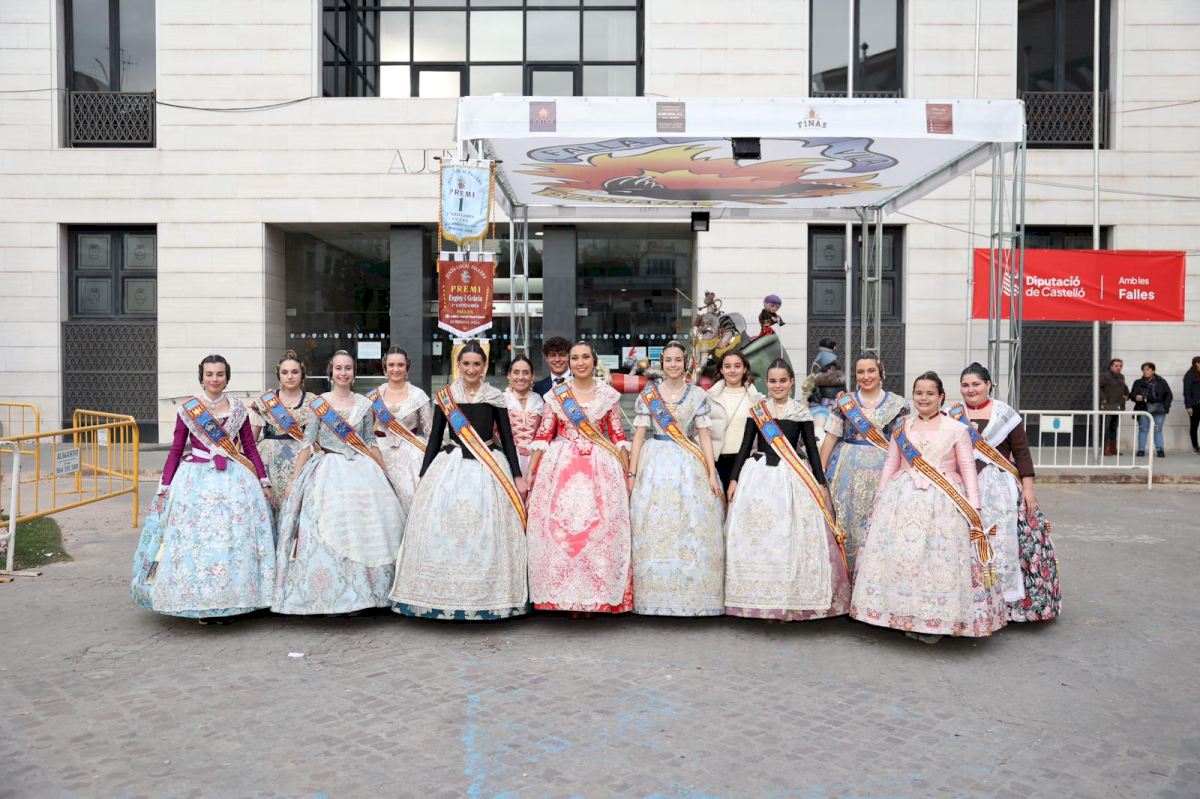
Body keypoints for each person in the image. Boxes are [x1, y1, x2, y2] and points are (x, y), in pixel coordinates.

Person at [851, 371, 1006, 641]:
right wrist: (880, 497)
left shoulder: (956, 428)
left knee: (937, 561)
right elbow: (891, 463)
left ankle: (937, 620)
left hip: (944, 501)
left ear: (941, 397)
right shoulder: (902, 427)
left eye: (930, 393)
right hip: (901, 499)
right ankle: (902, 614)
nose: (924, 398)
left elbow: (967, 466)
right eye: (919, 393)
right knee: (903, 559)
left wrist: (975, 506)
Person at [390, 341, 529, 620]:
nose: (471, 369)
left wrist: (517, 475)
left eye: (477, 364)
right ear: (458, 365)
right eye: (466, 364)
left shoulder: (494, 397)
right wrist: (424, 475)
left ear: (484, 366)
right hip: (450, 467)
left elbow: (507, 439)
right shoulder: (446, 397)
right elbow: (434, 438)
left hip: (488, 467)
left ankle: (490, 599)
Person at [131, 355, 275, 623]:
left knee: (232, 541)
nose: (215, 379)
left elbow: (249, 447)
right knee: (199, 544)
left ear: (227, 377)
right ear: (202, 377)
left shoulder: (238, 409)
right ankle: (200, 602)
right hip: (195, 481)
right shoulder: (189, 410)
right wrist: (164, 486)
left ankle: (233, 601)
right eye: (209, 374)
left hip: (234, 480)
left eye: (220, 374)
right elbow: (176, 450)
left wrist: (263, 481)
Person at [272, 351, 406, 615]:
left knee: (363, 531)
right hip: (327, 471)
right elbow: (307, 443)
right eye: (338, 369)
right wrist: (294, 479)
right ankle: (333, 595)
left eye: (348, 368)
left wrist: (385, 474)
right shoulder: (319, 404)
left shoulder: (364, 404)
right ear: (331, 373)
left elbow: (369, 442)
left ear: (354, 373)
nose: (343, 373)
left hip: (361, 471)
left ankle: (366, 593)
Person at [724, 359, 851, 621]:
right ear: (766, 383)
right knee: (760, 535)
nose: (778, 385)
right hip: (758, 477)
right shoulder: (757, 411)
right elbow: (745, 446)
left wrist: (820, 483)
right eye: (773, 381)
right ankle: (758, 597)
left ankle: (791, 597)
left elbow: (812, 451)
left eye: (783, 380)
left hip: (793, 477)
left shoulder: (800, 412)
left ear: (792, 382)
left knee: (790, 535)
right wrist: (734, 479)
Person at [526, 341, 633, 613]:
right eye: (575, 358)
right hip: (561, 466)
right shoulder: (556, 395)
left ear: (594, 361)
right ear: (569, 362)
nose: (580, 362)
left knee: (598, 531)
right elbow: (543, 434)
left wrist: (628, 474)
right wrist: (531, 473)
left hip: (600, 467)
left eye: (585, 357)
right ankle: (563, 598)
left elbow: (618, 435)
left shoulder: (608, 395)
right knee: (560, 530)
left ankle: (595, 597)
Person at [951, 363, 1059, 622]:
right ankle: (971, 602)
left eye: (976, 384)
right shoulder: (951, 414)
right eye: (965, 385)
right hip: (963, 486)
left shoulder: (1005, 415)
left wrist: (1028, 489)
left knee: (1004, 542)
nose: (970, 389)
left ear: (988, 384)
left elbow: (1022, 453)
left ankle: (1009, 606)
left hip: (1001, 489)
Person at [627, 341, 725, 616]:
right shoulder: (649, 395)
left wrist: (711, 472)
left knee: (690, 525)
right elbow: (638, 437)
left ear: (686, 363)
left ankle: (691, 594)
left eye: (677, 360)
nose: (673, 365)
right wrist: (632, 473)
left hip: (689, 463)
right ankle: (653, 594)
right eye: (668, 360)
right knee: (654, 525)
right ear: (662, 363)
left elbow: (704, 435)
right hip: (654, 462)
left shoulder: (697, 395)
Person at [818, 353, 908, 574]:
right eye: (860, 372)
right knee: (846, 523)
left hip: (884, 470)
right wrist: (819, 475)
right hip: (847, 472)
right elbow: (830, 437)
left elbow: (904, 442)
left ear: (880, 373)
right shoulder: (845, 403)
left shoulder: (898, 404)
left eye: (871, 371)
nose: (866, 376)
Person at [368, 347, 432, 515]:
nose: (396, 369)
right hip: (380, 455)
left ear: (407, 368)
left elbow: (430, 432)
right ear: (385, 368)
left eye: (400, 365)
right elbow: (366, 433)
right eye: (391, 365)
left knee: (412, 503)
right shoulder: (374, 397)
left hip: (412, 456)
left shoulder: (418, 395)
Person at [249, 350, 313, 513]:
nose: (289, 376)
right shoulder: (265, 401)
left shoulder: (313, 401)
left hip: (302, 462)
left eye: (294, 372)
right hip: (268, 462)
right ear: (278, 375)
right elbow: (250, 441)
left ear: (302, 374)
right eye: (285, 372)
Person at [706, 351, 764, 487]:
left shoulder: (757, 400)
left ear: (744, 369)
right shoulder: (708, 398)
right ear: (721, 370)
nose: (732, 370)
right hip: (716, 462)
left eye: (737, 366)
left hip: (747, 462)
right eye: (727, 366)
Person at [503, 354, 545, 476]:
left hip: (536, 458)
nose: (521, 377)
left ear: (532, 376)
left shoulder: (538, 400)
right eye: (516, 372)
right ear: (509, 375)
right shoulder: (502, 399)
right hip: (508, 457)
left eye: (525, 373)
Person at [1131, 362, 1173, 458]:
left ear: (1153, 370)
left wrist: (1165, 406)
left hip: (1159, 409)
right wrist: (1136, 397)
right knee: (1143, 429)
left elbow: (1169, 395)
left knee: (1158, 429)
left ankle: (1160, 450)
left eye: (1147, 369)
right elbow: (1132, 395)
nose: (1145, 371)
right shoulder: (1138, 382)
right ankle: (1141, 449)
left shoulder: (1161, 381)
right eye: (1143, 370)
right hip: (1144, 408)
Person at [1099, 358, 1129, 457]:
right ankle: (1106, 449)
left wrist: (1127, 394)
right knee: (1106, 427)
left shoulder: (1121, 376)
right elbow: (1097, 387)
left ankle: (1113, 448)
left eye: (1120, 366)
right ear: (1111, 366)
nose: (1118, 367)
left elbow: (1124, 387)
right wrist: (1103, 398)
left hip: (1118, 406)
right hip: (1108, 406)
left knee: (1114, 427)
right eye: (1116, 366)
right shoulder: (1105, 376)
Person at [1184, 356, 1200, 454]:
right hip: (1195, 406)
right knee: (1194, 426)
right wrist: (1188, 406)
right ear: (1197, 363)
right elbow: (1186, 391)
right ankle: (1195, 447)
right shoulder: (1190, 375)